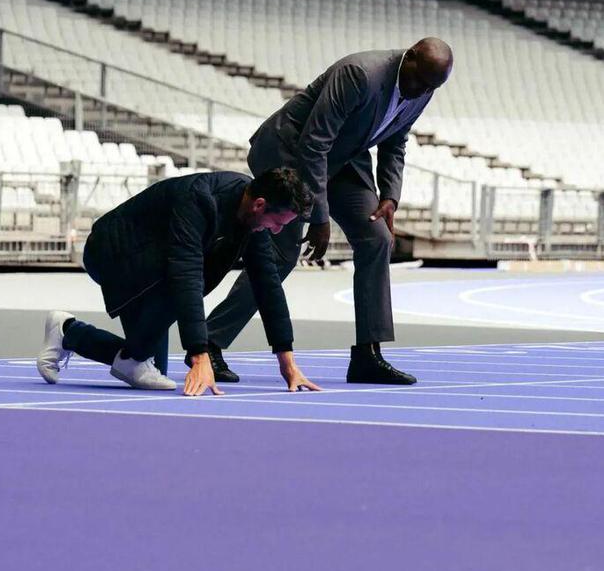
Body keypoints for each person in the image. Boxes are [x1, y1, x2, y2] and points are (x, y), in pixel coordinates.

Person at [205, 37, 453, 385]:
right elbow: (314, 142)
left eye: (430, 87)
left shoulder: (425, 84)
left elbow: (396, 140)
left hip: (343, 159)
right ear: (409, 57)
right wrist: (319, 217)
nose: (420, 91)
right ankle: (209, 343)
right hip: (291, 153)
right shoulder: (360, 73)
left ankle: (368, 355)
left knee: (377, 237)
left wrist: (390, 196)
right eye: (418, 82)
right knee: (281, 256)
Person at [36, 168, 320, 396]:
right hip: (114, 252)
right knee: (139, 359)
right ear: (260, 205)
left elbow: (267, 284)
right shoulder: (198, 199)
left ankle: (68, 332)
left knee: (147, 366)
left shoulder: (253, 218)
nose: (278, 230)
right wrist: (199, 354)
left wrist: (288, 363)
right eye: (279, 222)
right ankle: (82, 338)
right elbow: (186, 274)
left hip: (152, 260)